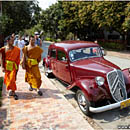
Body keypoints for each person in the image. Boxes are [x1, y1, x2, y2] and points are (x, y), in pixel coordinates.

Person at [0, 35, 20, 100]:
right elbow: (2, 58)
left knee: (12, 79)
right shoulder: (3, 49)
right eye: (12, 40)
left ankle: (13, 92)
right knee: (8, 79)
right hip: (7, 66)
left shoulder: (17, 49)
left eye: (13, 40)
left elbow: (17, 59)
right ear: (7, 41)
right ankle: (12, 91)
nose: (13, 41)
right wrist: (2, 67)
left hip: (13, 66)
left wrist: (17, 66)